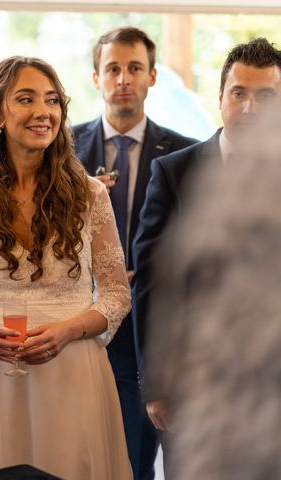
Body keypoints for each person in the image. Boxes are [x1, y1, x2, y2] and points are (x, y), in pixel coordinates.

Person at [0, 56, 132, 479]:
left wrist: (67, 330)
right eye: (25, 99)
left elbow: (117, 294)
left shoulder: (90, 196)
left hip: (73, 373)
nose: (42, 111)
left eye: (52, 100)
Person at [131, 37, 281, 474]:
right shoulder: (172, 171)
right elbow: (152, 284)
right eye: (239, 93)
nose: (250, 109)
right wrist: (156, 385)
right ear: (220, 98)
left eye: (266, 96)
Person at [71, 26, 197, 479]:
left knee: (137, 464)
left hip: (150, 336)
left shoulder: (186, 154)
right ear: (95, 77)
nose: (123, 78)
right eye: (113, 68)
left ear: (153, 77)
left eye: (135, 68)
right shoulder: (61, 149)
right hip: (76, 328)